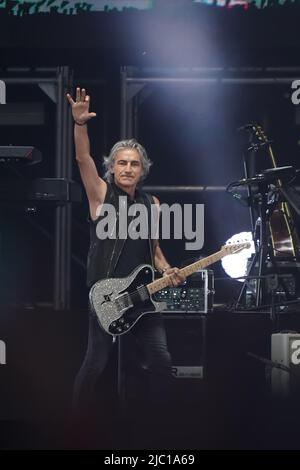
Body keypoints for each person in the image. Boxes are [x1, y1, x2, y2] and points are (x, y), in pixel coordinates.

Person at [66, 87, 185, 447]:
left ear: (142, 170)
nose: (128, 168)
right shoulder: (101, 196)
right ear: (112, 168)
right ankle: (73, 429)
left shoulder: (154, 204)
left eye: (134, 163)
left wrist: (168, 270)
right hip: (106, 295)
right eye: (121, 162)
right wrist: (79, 125)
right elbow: (83, 158)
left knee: (161, 362)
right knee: (95, 364)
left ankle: (155, 431)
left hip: (144, 297)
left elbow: (155, 250)